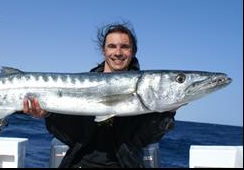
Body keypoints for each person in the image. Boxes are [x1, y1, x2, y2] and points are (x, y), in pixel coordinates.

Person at [23, 21, 178, 168]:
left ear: (133, 51)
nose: (118, 52)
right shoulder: (83, 84)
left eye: (124, 47)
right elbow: (70, 137)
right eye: (112, 46)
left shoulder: (146, 92)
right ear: (104, 50)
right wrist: (48, 115)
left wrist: (166, 114)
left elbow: (143, 139)